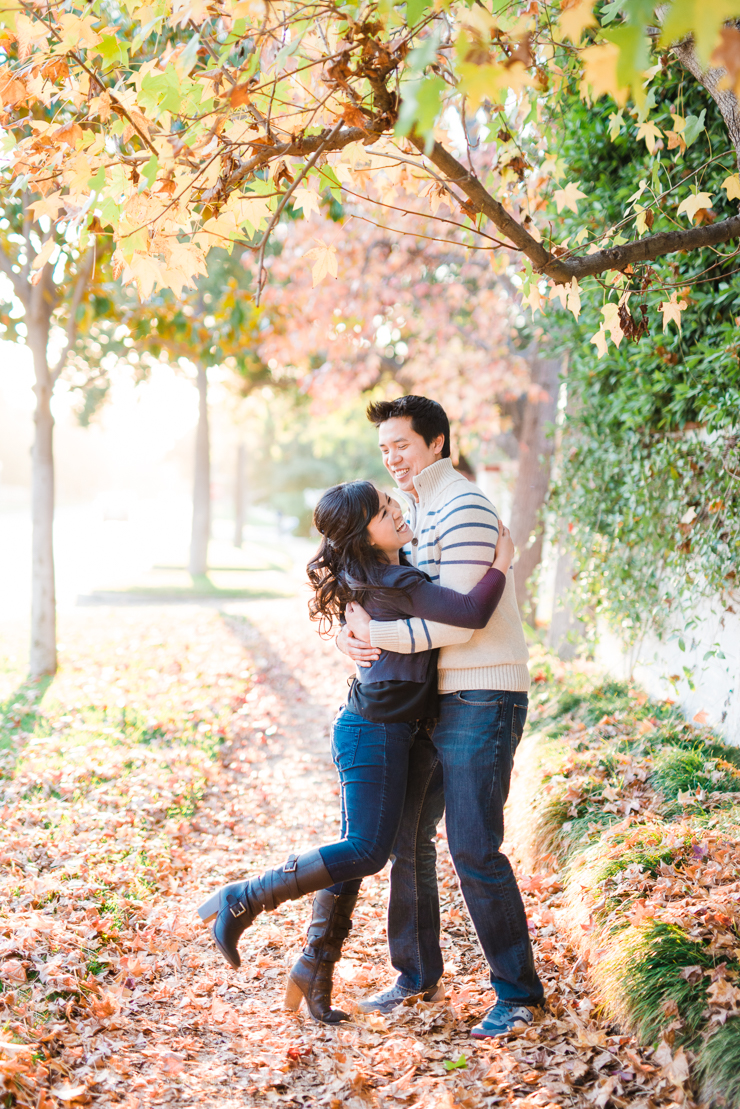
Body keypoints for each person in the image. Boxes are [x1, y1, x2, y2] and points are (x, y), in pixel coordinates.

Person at [198, 479, 515, 1024]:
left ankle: (314, 966)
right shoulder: (394, 579)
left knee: (356, 848)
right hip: (371, 730)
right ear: (363, 536)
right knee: (367, 850)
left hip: (386, 728)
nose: (396, 510)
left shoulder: (375, 573)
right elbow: (469, 612)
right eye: (383, 510)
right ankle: (244, 897)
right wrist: (503, 562)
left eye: (393, 503)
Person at [338, 395, 544, 1039]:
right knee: (406, 840)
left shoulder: (464, 507)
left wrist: (379, 636)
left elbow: (455, 617)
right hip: (436, 700)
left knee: (475, 845)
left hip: (482, 691)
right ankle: (416, 973)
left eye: (403, 444)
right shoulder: (419, 511)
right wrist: (351, 632)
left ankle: (517, 993)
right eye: (385, 449)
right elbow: (385, 592)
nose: (393, 458)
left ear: (436, 443)